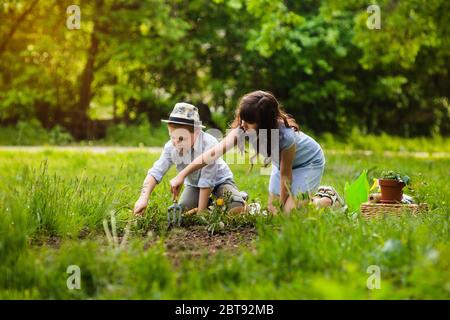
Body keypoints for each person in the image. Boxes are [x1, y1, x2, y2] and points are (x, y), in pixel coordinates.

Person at [170, 91, 343, 214]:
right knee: (273, 212)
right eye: (243, 118)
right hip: (281, 166)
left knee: (290, 215)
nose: (243, 123)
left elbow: (286, 176)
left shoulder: (286, 137)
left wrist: (284, 207)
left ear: (265, 123)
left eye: (249, 121)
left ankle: (327, 199)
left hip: (308, 163)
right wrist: (182, 175)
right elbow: (212, 154)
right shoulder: (243, 128)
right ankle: (304, 200)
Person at [133, 102, 247, 216]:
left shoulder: (209, 144)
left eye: (181, 138)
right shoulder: (171, 146)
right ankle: (212, 204)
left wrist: (201, 213)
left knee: (235, 209)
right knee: (183, 212)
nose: (176, 143)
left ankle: (239, 197)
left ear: (197, 132)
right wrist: (144, 197)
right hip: (194, 185)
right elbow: (156, 171)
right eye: (172, 137)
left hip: (220, 182)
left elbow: (207, 179)